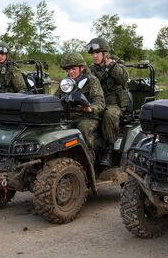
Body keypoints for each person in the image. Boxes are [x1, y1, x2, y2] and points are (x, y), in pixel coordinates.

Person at [54, 52, 105, 162]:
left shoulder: (92, 80)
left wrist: (90, 108)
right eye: (68, 70)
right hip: (67, 116)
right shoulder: (65, 82)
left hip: (87, 117)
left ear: (81, 67)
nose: (70, 72)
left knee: (83, 129)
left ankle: (88, 162)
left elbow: (100, 102)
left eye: (73, 69)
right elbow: (55, 98)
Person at [87, 37, 129, 167]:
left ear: (105, 53)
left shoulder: (117, 64)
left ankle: (109, 150)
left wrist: (111, 65)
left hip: (115, 104)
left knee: (108, 115)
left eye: (97, 53)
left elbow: (124, 79)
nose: (95, 56)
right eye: (93, 53)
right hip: (98, 101)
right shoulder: (92, 69)